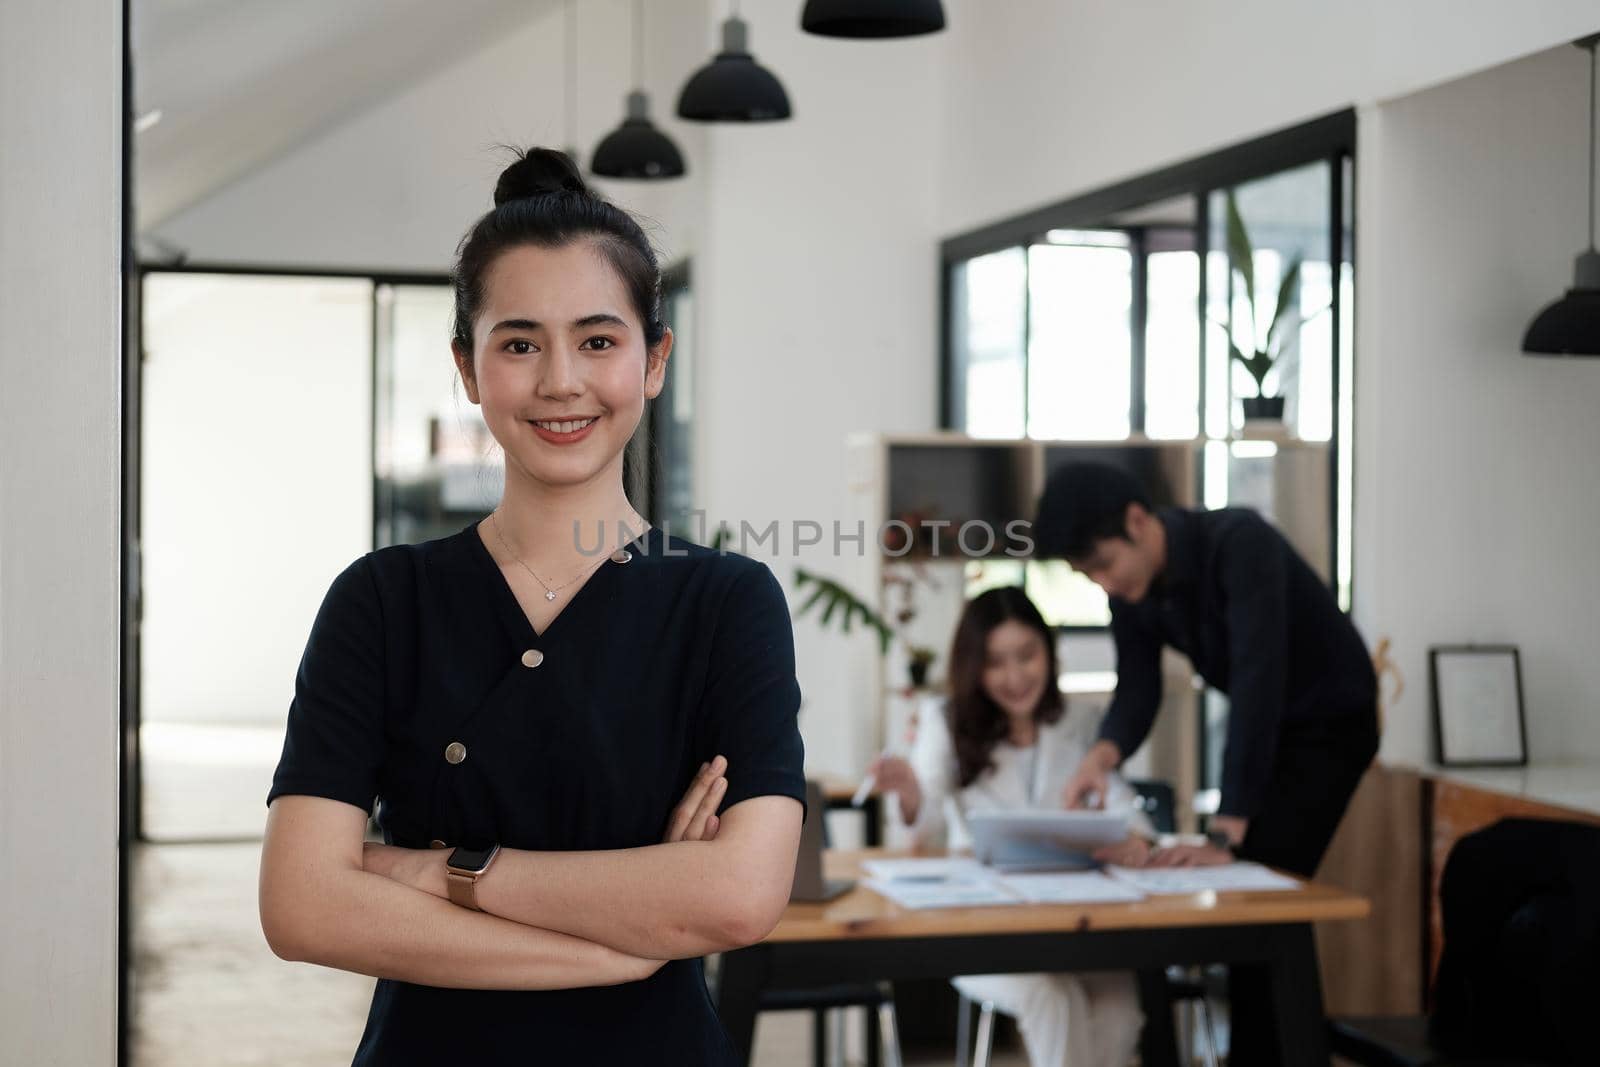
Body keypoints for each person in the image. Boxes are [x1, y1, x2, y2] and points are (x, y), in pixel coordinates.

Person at [258, 148, 806, 1066]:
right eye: (519, 343)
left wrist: (434, 870)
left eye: (598, 340)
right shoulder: (382, 602)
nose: (561, 381)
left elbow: (741, 895)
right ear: (469, 369)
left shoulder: (725, 603)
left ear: (654, 359)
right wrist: (625, 938)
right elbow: (303, 905)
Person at [1036, 461, 1378, 1064]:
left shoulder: (1240, 545)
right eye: (1089, 574)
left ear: (1138, 522)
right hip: (1272, 731)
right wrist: (1101, 757)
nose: (1103, 583)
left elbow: (1257, 681)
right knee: (1253, 906)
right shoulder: (1134, 591)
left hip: (1331, 728)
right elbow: (1138, 689)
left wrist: (1228, 828)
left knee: (1257, 899)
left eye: (1104, 564)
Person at [866, 586, 1154, 1067]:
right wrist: (910, 795)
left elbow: (1124, 807)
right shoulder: (945, 720)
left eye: (1027, 655)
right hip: (983, 928)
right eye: (996, 662)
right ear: (973, 667)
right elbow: (926, 817)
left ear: (1049, 651)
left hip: (1079, 925)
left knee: (1119, 1012)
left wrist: (1136, 839)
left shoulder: (1081, 721)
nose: (1016, 676)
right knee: (1053, 997)